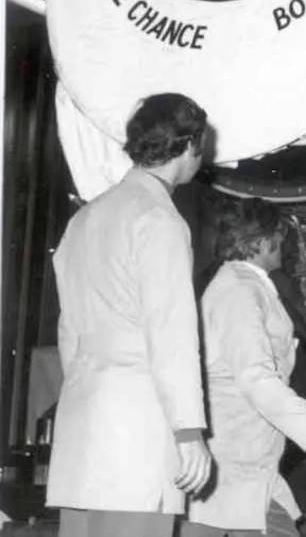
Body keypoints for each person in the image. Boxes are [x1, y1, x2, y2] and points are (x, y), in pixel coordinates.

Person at [47, 93, 213, 537]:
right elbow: (171, 333)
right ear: (190, 145)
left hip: (82, 431)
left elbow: (68, 332)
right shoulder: (159, 220)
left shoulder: (85, 219)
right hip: (136, 433)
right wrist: (188, 431)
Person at [182, 198, 306, 537]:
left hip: (246, 468)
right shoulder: (240, 291)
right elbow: (256, 378)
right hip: (233, 467)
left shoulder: (244, 285)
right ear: (263, 240)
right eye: (280, 236)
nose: (285, 244)